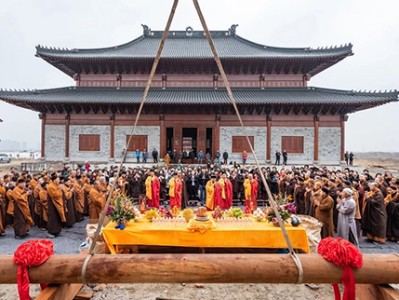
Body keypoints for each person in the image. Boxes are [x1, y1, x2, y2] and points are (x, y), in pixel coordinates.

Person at [47, 174, 66, 238]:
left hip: (57, 204)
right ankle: (51, 232)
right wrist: (59, 189)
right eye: (58, 179)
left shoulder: (57, 185)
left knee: (57, 217)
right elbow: (55, 195)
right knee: (52, 218)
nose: (59, 180)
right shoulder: (50, 186)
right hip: (53, 204)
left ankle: (57, 230)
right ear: (54, 180)